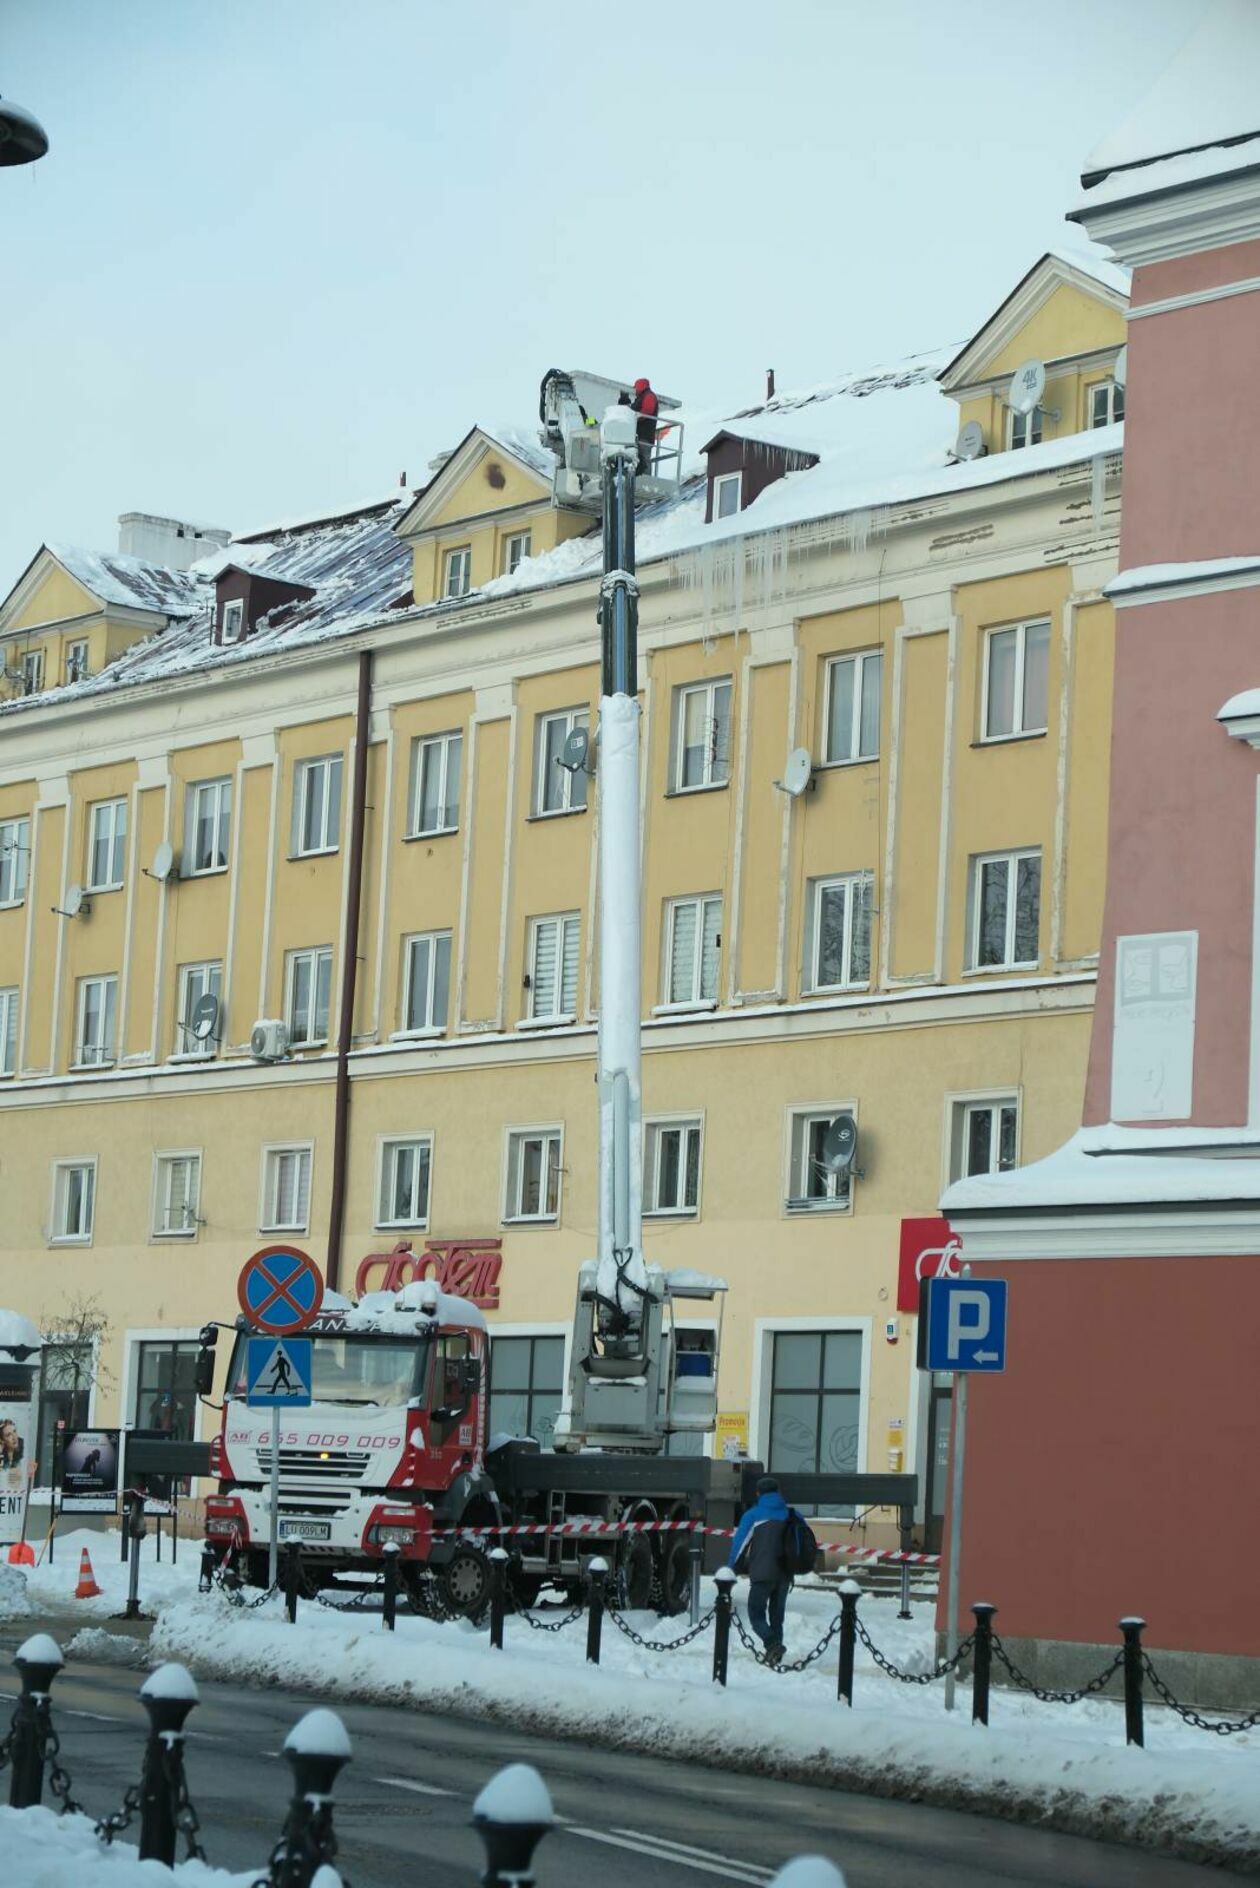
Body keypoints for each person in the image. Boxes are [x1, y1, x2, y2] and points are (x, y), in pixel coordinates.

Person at [728, 1473, 791, 1665]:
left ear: (758, 1493)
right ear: (778, 1492)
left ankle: (772, 1644)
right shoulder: (791, 1514)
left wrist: (730, 1568)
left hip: (762, 1573)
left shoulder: (753, 1515)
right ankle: (775, 1654)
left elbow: (740, 1544)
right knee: (776, 1617)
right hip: (785, 1574)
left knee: (756, 1614)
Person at [630, 376, 659, 475]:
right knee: (638, 457)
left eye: (636, 387)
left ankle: (646, 477)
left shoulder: (649, 396)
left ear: (641, 386)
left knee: (644, 456)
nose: (635, 390)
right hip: (639, 434)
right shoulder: (642, 397)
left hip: (645, 435)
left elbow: (647, 411)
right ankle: (639, 475)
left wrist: (635, 417)